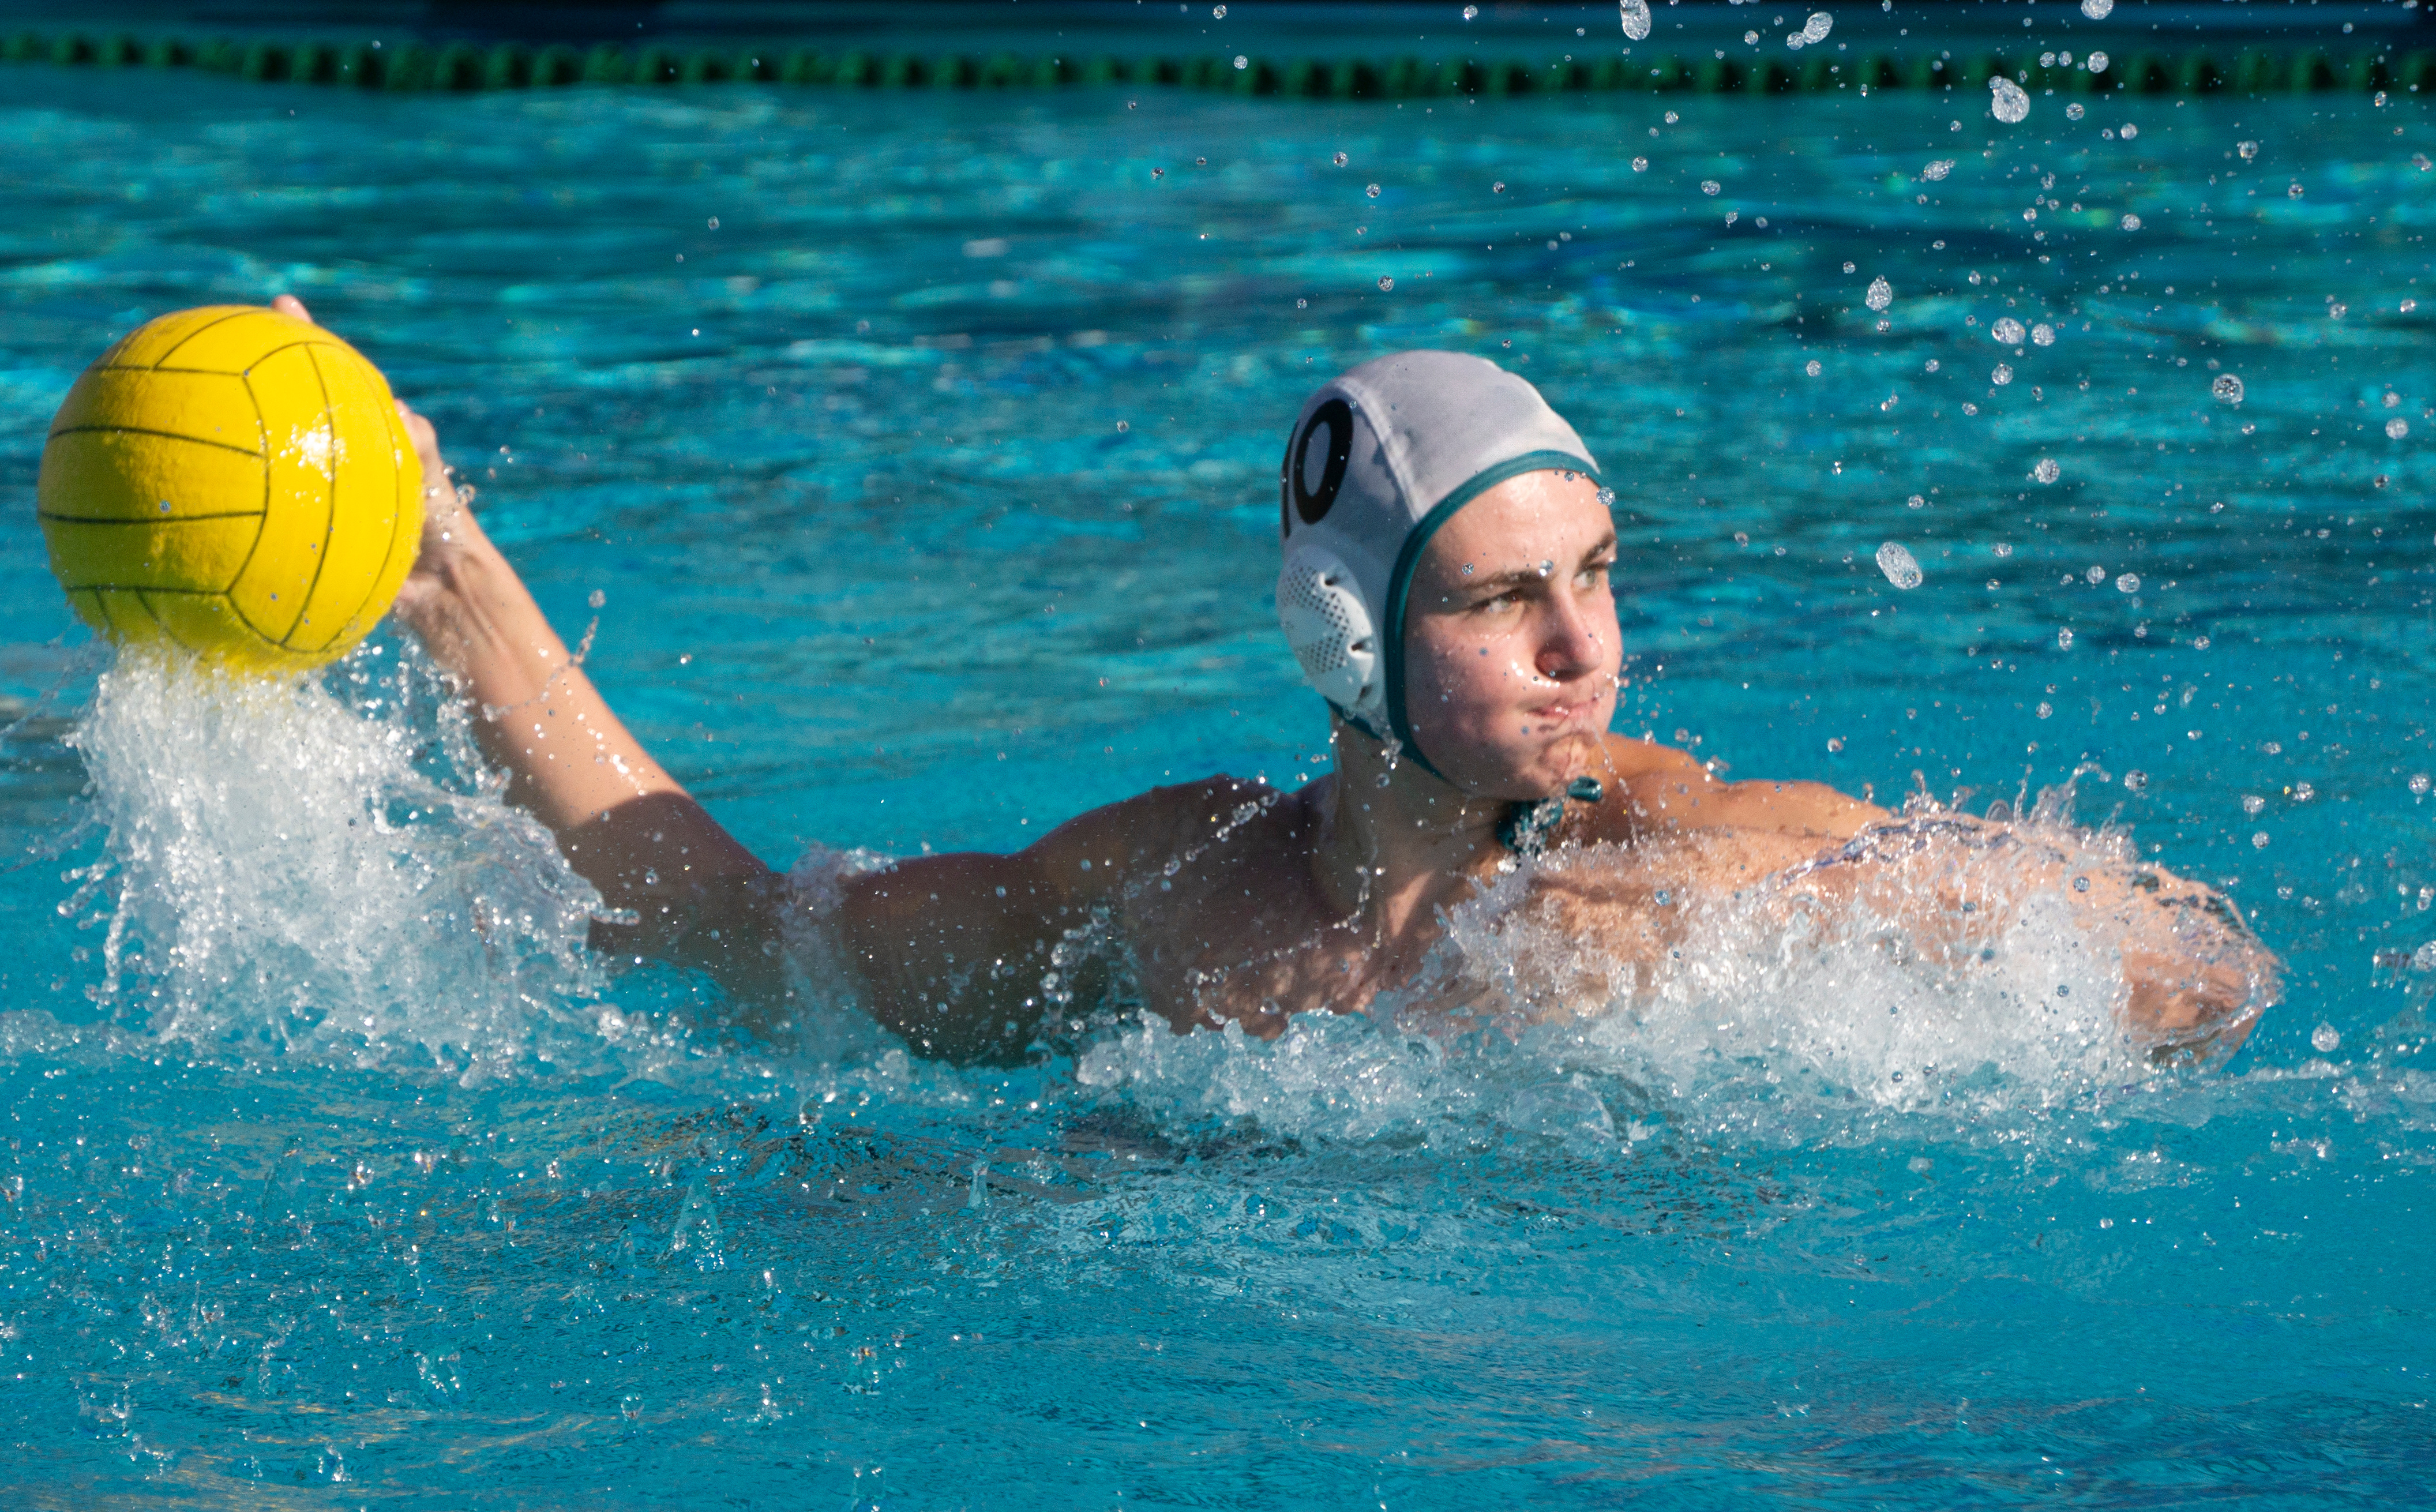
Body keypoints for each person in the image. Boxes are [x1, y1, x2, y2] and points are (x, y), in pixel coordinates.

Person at [276, 296, 2276, 1066]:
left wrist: (1749, 937)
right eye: (1505, 600)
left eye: (1593, 574)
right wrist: (445, 568)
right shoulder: (1163, 899)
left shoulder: (1699, 858)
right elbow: (729, 927)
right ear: (1345, 637)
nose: (1583, 642)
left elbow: (2198, 974)